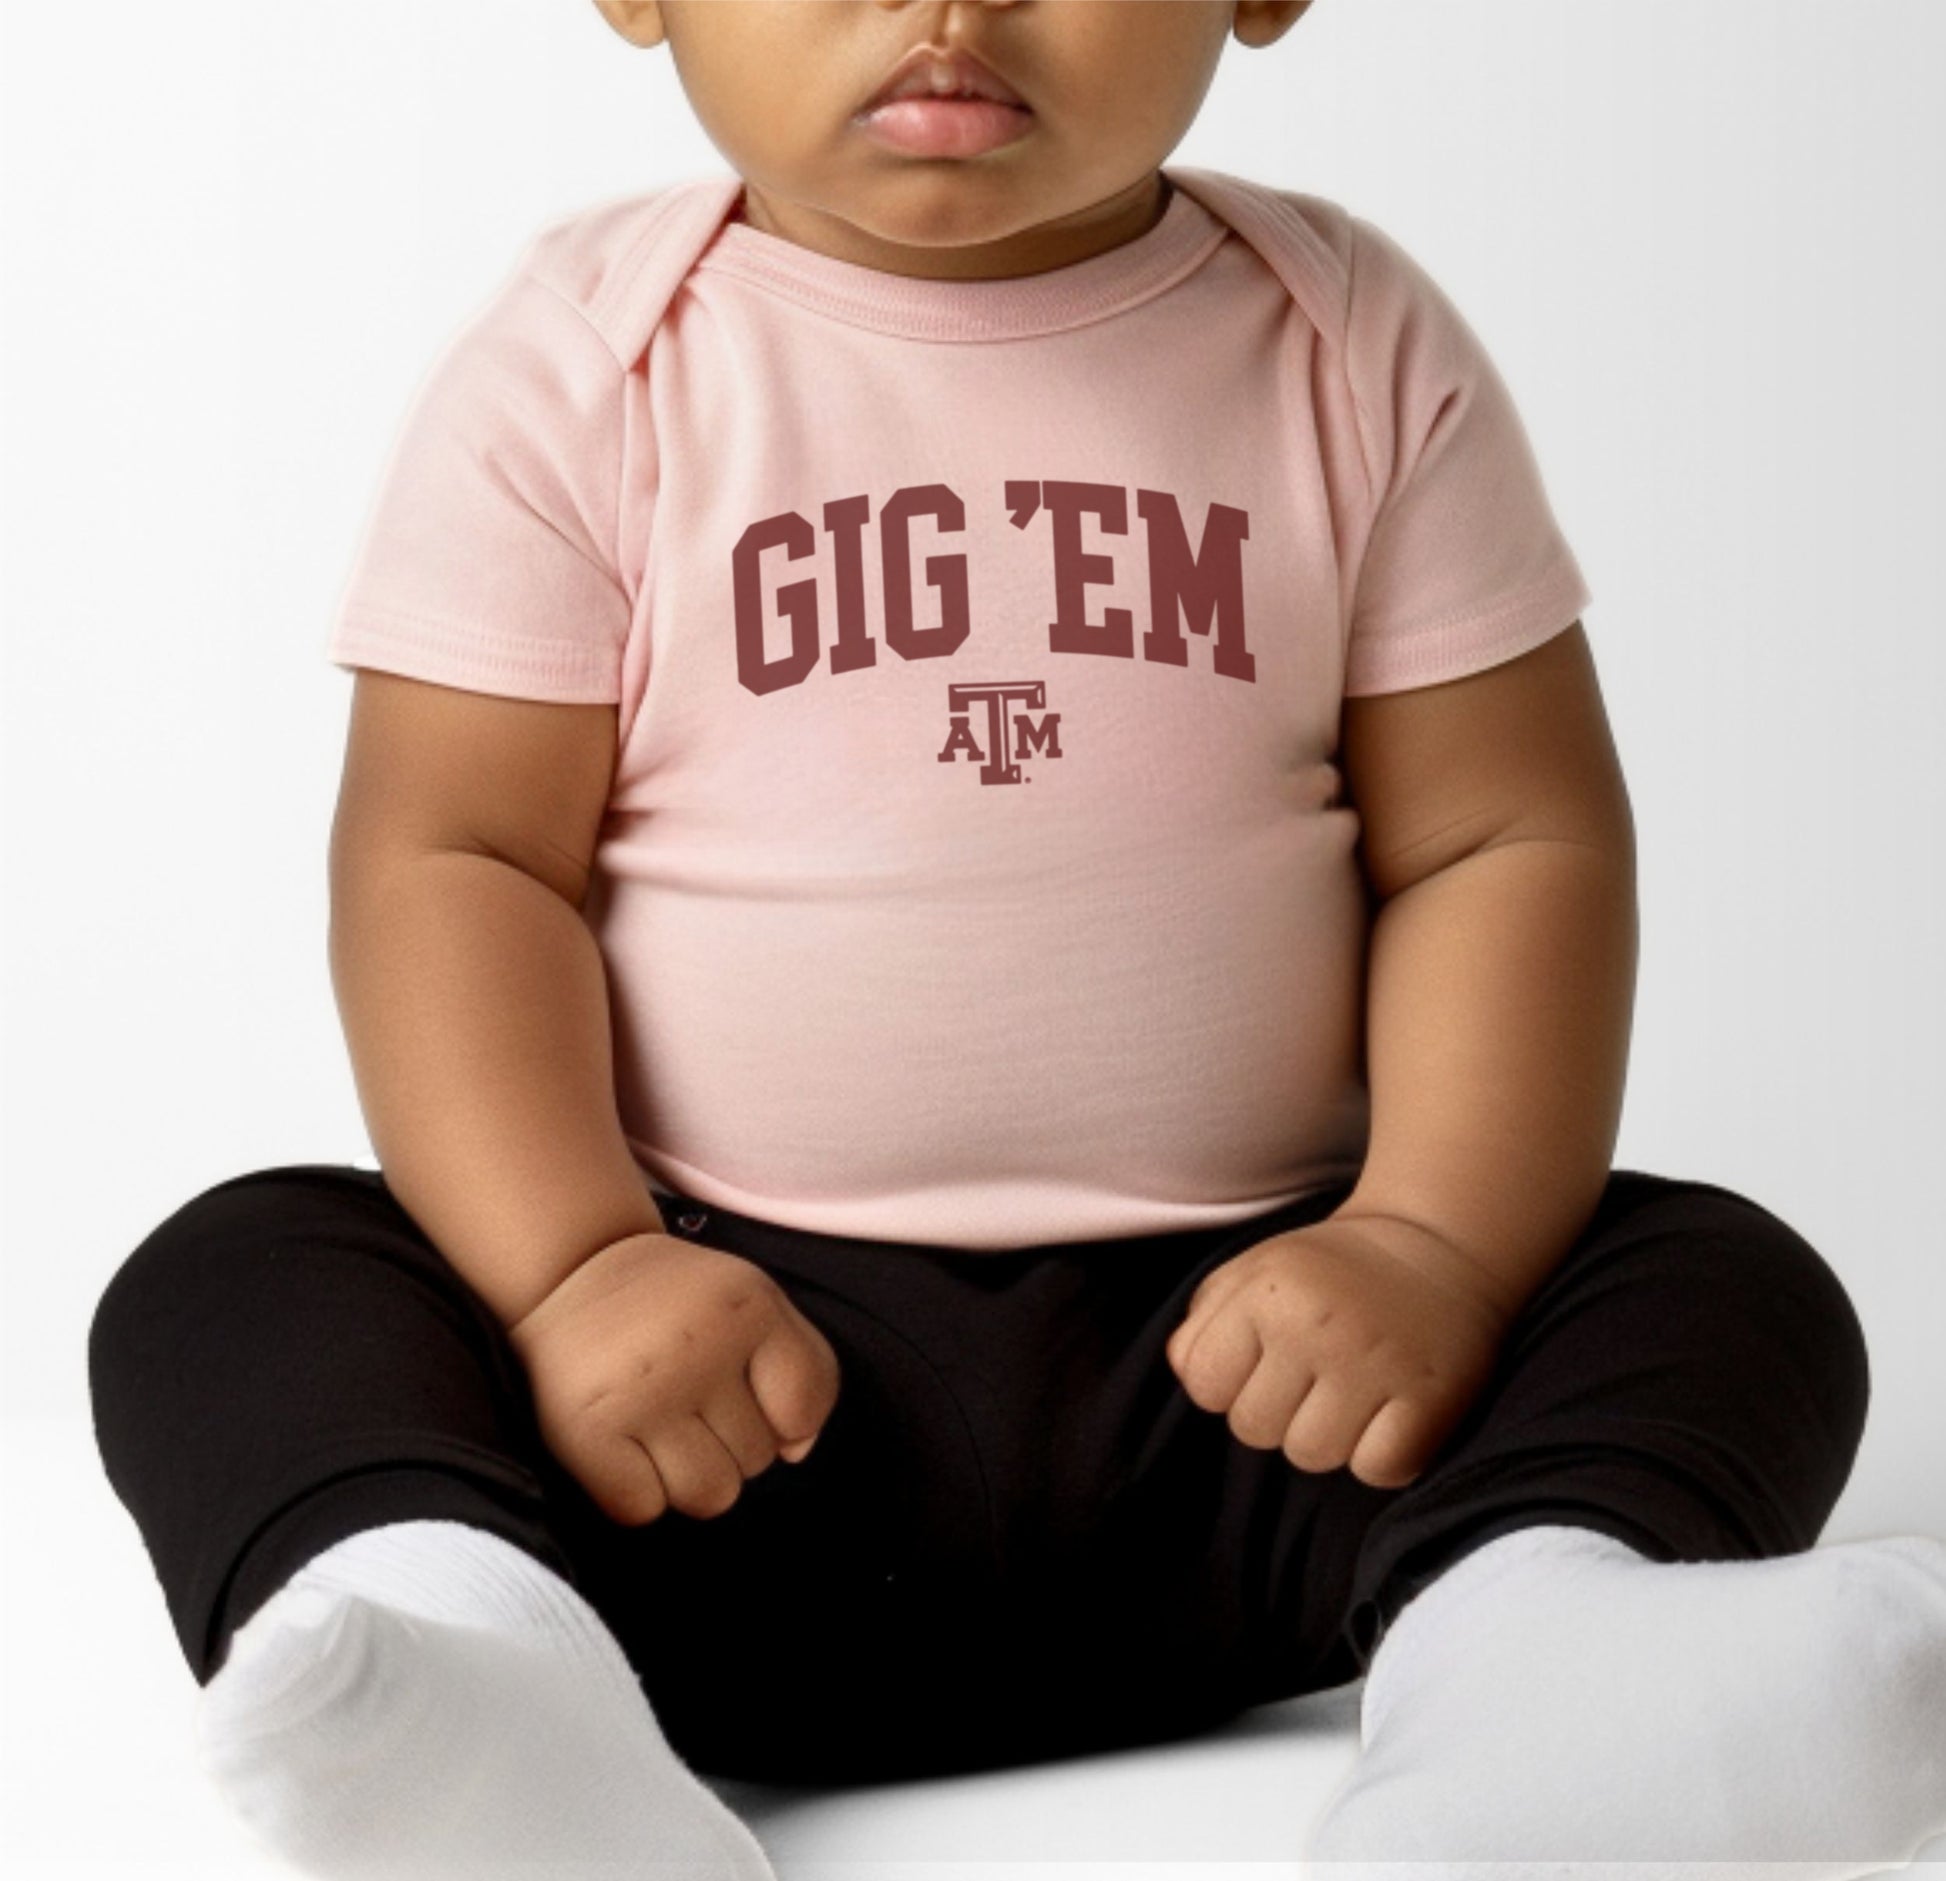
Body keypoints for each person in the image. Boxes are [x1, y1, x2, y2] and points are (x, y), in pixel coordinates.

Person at [88, 2, 1946, 1875]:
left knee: (1720, 1274)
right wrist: (576, 1270)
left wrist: (1431, 1244)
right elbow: (455, 857)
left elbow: (1500, 832)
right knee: (239, 1275)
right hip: (716, 1421)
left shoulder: (1344, 344)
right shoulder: (587, 370)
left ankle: (1528, 1670)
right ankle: (497, 1697)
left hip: (1269, 1405)